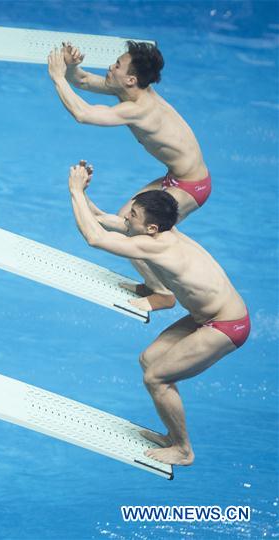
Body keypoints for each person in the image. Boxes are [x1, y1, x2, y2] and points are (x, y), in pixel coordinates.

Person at [67, 161, 249, 466]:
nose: (127, 216)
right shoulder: (162, 229)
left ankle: (183, 449)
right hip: (206, 316)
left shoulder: (160, 248)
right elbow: (105, 220)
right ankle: (172, 433)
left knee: (156, 378)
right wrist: (83, 195)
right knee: (149, 361)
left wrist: (72, 190)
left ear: (151, 228)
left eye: (133, 215)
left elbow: (95, 238)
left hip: (226, 325)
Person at [48, 40, 211, 313]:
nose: (110, 68)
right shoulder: (128, 91)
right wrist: (72, 65)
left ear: (131, 79)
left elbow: (83, 113)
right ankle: (154, 283)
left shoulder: (140, 109)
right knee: (127, 219)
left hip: (190, 186)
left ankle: (162, 293)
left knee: (132, 227)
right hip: (175, 176)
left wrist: (56, 75)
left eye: (117, 66)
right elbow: (85, 81)